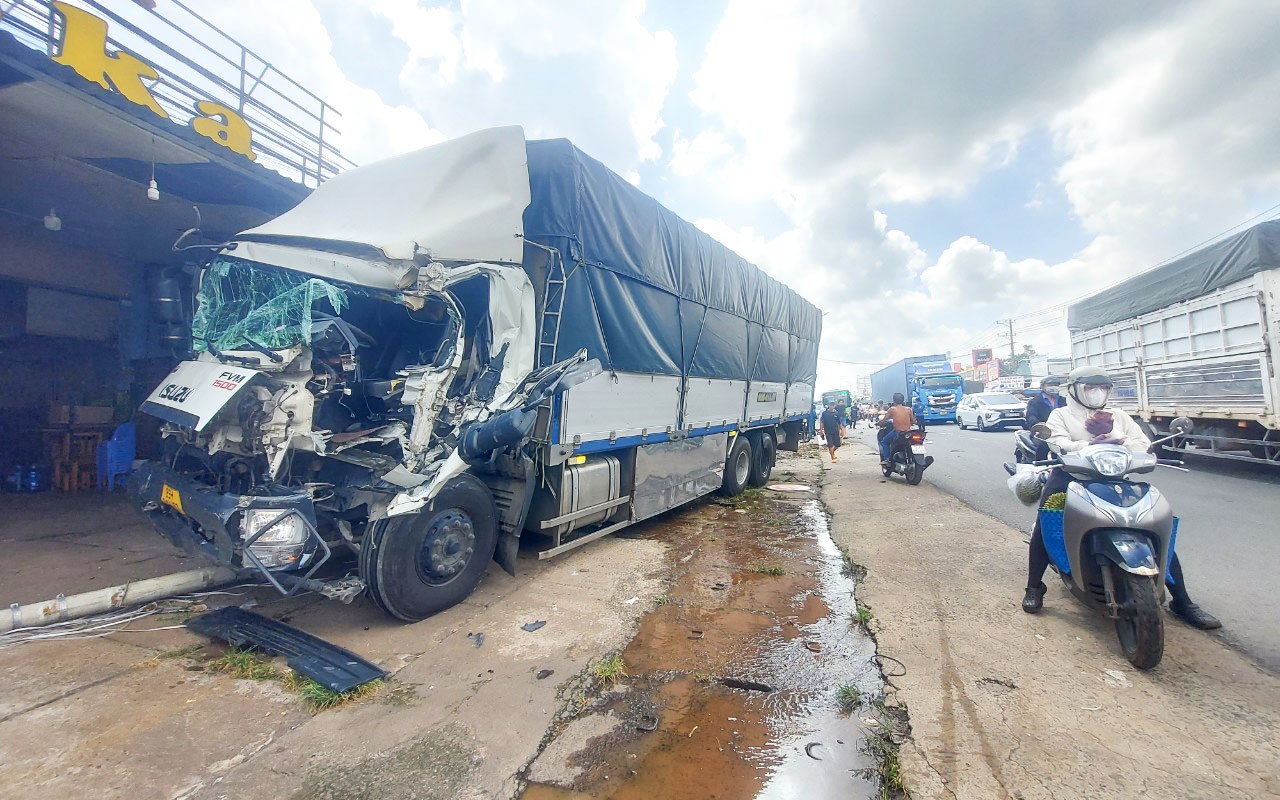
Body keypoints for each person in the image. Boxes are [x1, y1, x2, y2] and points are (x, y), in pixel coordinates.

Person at [1021, 366, 1221, 629]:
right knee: (1047, 524)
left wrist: (1117, 437)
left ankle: (1183, 601)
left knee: (1155, 528)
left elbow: (1142, 444)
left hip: (1114, 479)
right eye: (1090, 388)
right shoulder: (1061, 415)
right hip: (1070, 478)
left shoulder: (1118, 415)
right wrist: (1090, 444)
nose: (1096, 393)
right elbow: (1057, 442)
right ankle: (1034, 587)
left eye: (1102, 388)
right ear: (1074, 390)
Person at [1024, 376, 1066, 460]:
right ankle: (1040, 468)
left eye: (1056, 384)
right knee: (1043, 446)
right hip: (1043, 433)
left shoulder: (1065, 401)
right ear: (1042, 386)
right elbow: (1030, 417)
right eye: (1050, 384)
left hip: (1063, 431)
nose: (1053, 387)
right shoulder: (1034, 402)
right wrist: (1039, 425)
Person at [878, 392, 916, 464]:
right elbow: (913, 421)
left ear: (893, 401)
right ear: (903, 400)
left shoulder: (892, 409)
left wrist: (879, 423)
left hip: (898, 432)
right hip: (908, 432)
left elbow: (884, 420)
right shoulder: (909, 409)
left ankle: (887, 459)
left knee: (884, 442)